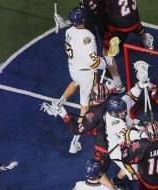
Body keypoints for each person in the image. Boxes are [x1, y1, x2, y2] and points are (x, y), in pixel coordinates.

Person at [54, 6, 125, 154]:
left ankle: (58, 104)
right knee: (85, 107)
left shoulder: (69, 31)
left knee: (75, 83)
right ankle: (74, 143)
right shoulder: (87, 35)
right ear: (84, 20)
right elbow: (92, 62)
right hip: (86, 73)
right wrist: (107, 62)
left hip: (73, 69)